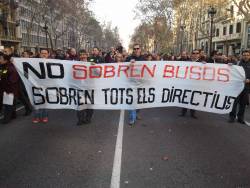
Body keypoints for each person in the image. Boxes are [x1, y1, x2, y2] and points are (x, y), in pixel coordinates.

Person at [228, 50, 250, 124]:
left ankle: (240, 118)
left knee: (243, 104)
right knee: (234, 102)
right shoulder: (237, 63)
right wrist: (229, 66)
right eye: (244, 55)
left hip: (246, 87)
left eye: (247, 55)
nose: (246, 56)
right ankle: (232, 117)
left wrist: (249, 80)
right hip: (237, 87)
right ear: (242, 56)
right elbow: (231, 71)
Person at [126, 43, 145, 126]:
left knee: (139, 100)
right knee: (132, 100)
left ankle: (136, 113)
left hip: (141, 83)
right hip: (131, 83)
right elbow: (123, 69)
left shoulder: (143, 59)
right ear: (133, 50)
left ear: (140, 49)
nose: (136, 50)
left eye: (138, 48)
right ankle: (132, 118)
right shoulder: (129, 58)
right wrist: (129, 64)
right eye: (135, 49)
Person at [179, 49, 201, 119]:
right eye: (193, 53)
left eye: (197, 53)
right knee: (185, 97)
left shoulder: (202, 63)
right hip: (187, 83)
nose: (195, 54)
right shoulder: (187, 62)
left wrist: (229, 65)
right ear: (191, 54)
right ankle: (183, 112)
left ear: (199, 55)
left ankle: (193, 113)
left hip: (196, 84)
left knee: (194, 98)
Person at [0, 53, 19, 124]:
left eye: (1, 59)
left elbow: (13, 81)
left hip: (9, 90)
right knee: (10, 103)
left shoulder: (11, 68)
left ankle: (6, 119)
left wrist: (9, 90)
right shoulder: (3, 67)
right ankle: (13, 115)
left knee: (8, 104)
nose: (0, 60)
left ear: (5, 60)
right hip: (4, 89)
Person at [32, 49, 50, 124]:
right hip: (36, 85)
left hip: (46, 86)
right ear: (40, 54)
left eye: (45, 53)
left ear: (48, 54)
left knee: (45, 102)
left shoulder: (51, 63)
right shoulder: (34, 63)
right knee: (37, 102)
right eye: (42, 53)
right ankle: (36, 117)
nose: (44, 55)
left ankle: (45, 116)